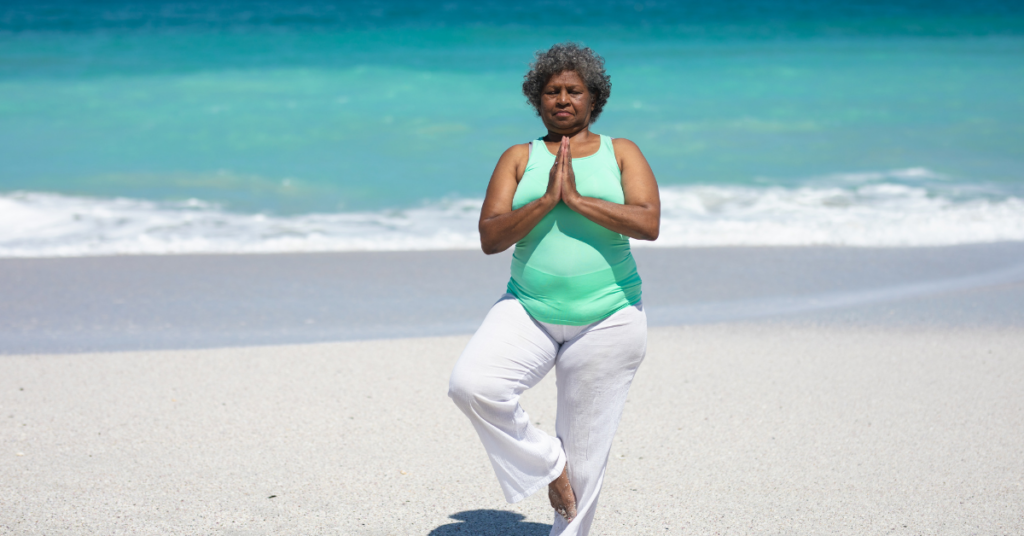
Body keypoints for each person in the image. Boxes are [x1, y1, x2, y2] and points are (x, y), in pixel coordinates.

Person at [448, 42, 660, 536]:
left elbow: (648, 223)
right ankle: (548, 463)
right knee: (473, 385)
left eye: (574, 91)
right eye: (551, 92)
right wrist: (547, 200)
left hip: (610, 314)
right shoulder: (518, 157)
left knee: (587, 462)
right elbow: (490, 237)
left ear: (594, 98)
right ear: (536, 99)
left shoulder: (621, 151)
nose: (562, 99)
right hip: (528, 308)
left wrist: (578, 199)